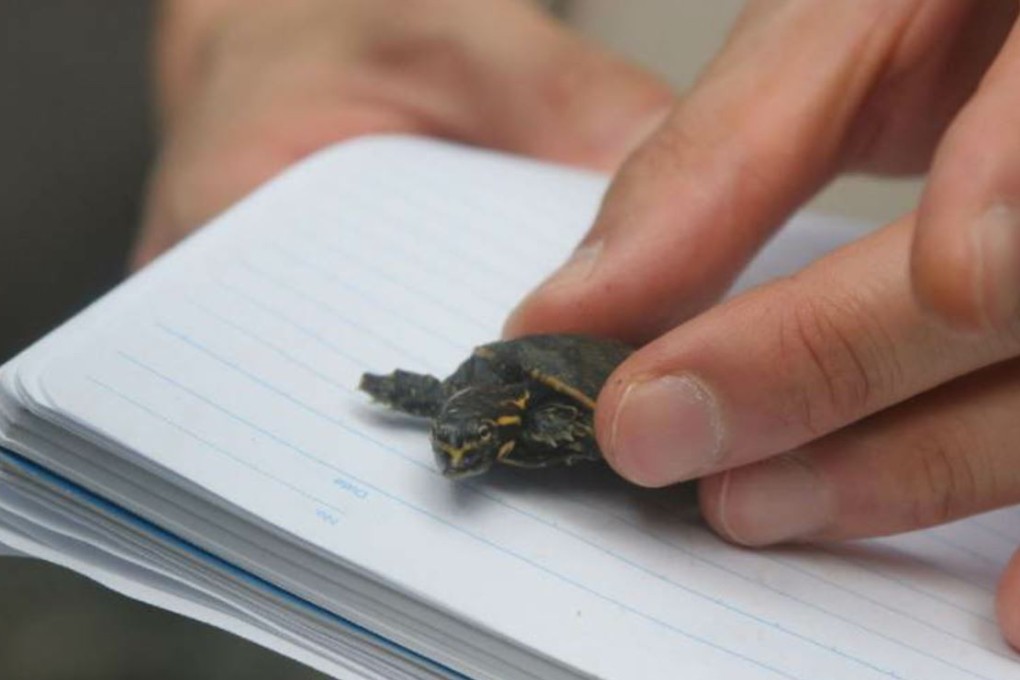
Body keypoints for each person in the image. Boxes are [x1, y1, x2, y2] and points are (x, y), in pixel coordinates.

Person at [146, 0, 1020, 645]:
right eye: (460, 449)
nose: (459, 463)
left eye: (465, 447)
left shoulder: (543, 407)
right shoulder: (476, 394)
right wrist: (261, 24)